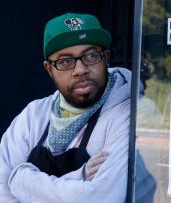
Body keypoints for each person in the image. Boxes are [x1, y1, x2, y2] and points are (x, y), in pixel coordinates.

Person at [0, 13, 154, 203]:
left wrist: (22, 180)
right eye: (65, 61)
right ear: (49, 68)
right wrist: (79, 177)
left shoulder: (129, 112)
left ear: (105, 58)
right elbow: (3, 192)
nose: (80, 69)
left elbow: (101, 198)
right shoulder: (33, 116)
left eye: (90, 56)